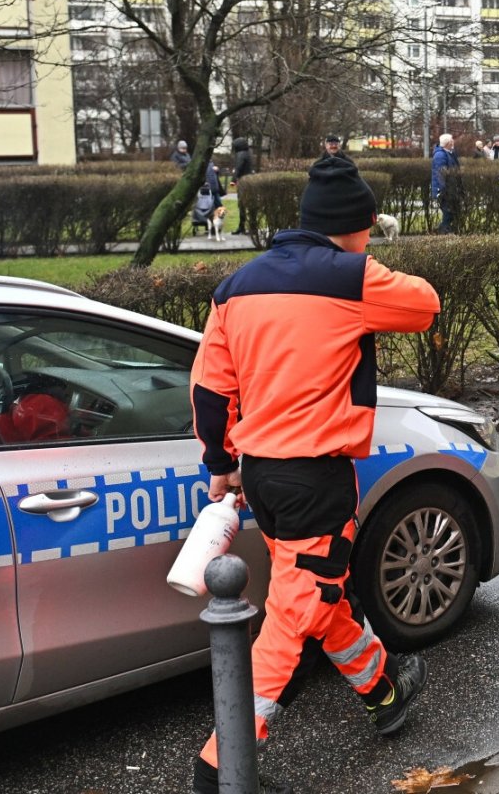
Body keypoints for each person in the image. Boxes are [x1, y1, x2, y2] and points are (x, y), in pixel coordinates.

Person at [188, 155, 440, 794]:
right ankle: (220, 769)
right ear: (352, 226)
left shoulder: (236, 287)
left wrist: (219, 464)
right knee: (290, 624)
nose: (370, 238)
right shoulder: (352, 275)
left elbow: (211, 389)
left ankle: (383, 688)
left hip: (262, 478)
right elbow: (426, 305)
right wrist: (364, 270)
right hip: (317, 481)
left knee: (316, 596)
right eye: (367, 229)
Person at [430, 132, 459, 234]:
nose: (453, 141)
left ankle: (444, 230)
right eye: (451, 140)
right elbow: (440, 174)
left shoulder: (450, 153)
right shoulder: (440, 155)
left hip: (451, 188)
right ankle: (443, 232)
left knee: (452, 212)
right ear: (448, 143)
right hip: (445, 190)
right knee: (448, 212)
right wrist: (441, 190)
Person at [231, 136, 254, 234]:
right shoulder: (248, 153)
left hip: (243, 182)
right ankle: (252, 226)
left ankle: (242, 227)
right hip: (250, 181)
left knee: (242, 205)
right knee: (250, 205)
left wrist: (233, 180)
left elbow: (238, 168)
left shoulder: (240, 155)